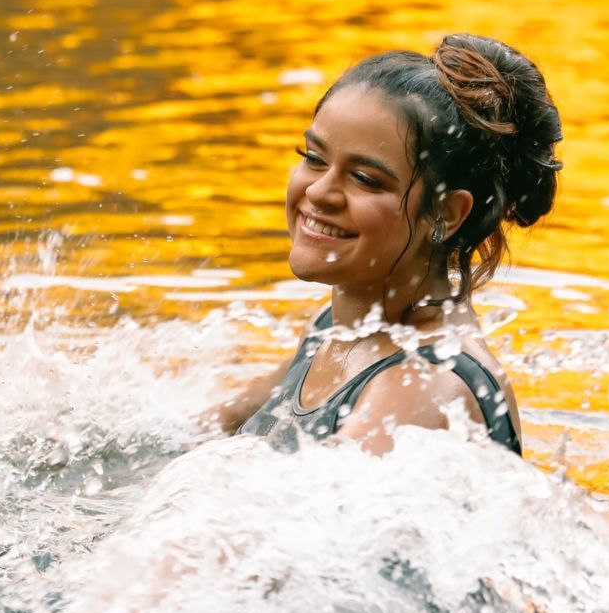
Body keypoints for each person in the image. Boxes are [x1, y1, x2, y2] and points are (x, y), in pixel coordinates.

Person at [216, 34, 563, 456]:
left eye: (365, 179)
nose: (321, 192)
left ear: (446, 213)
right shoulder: (333, 329)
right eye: (313, 157)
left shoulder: (424, 387)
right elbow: (204, 429)